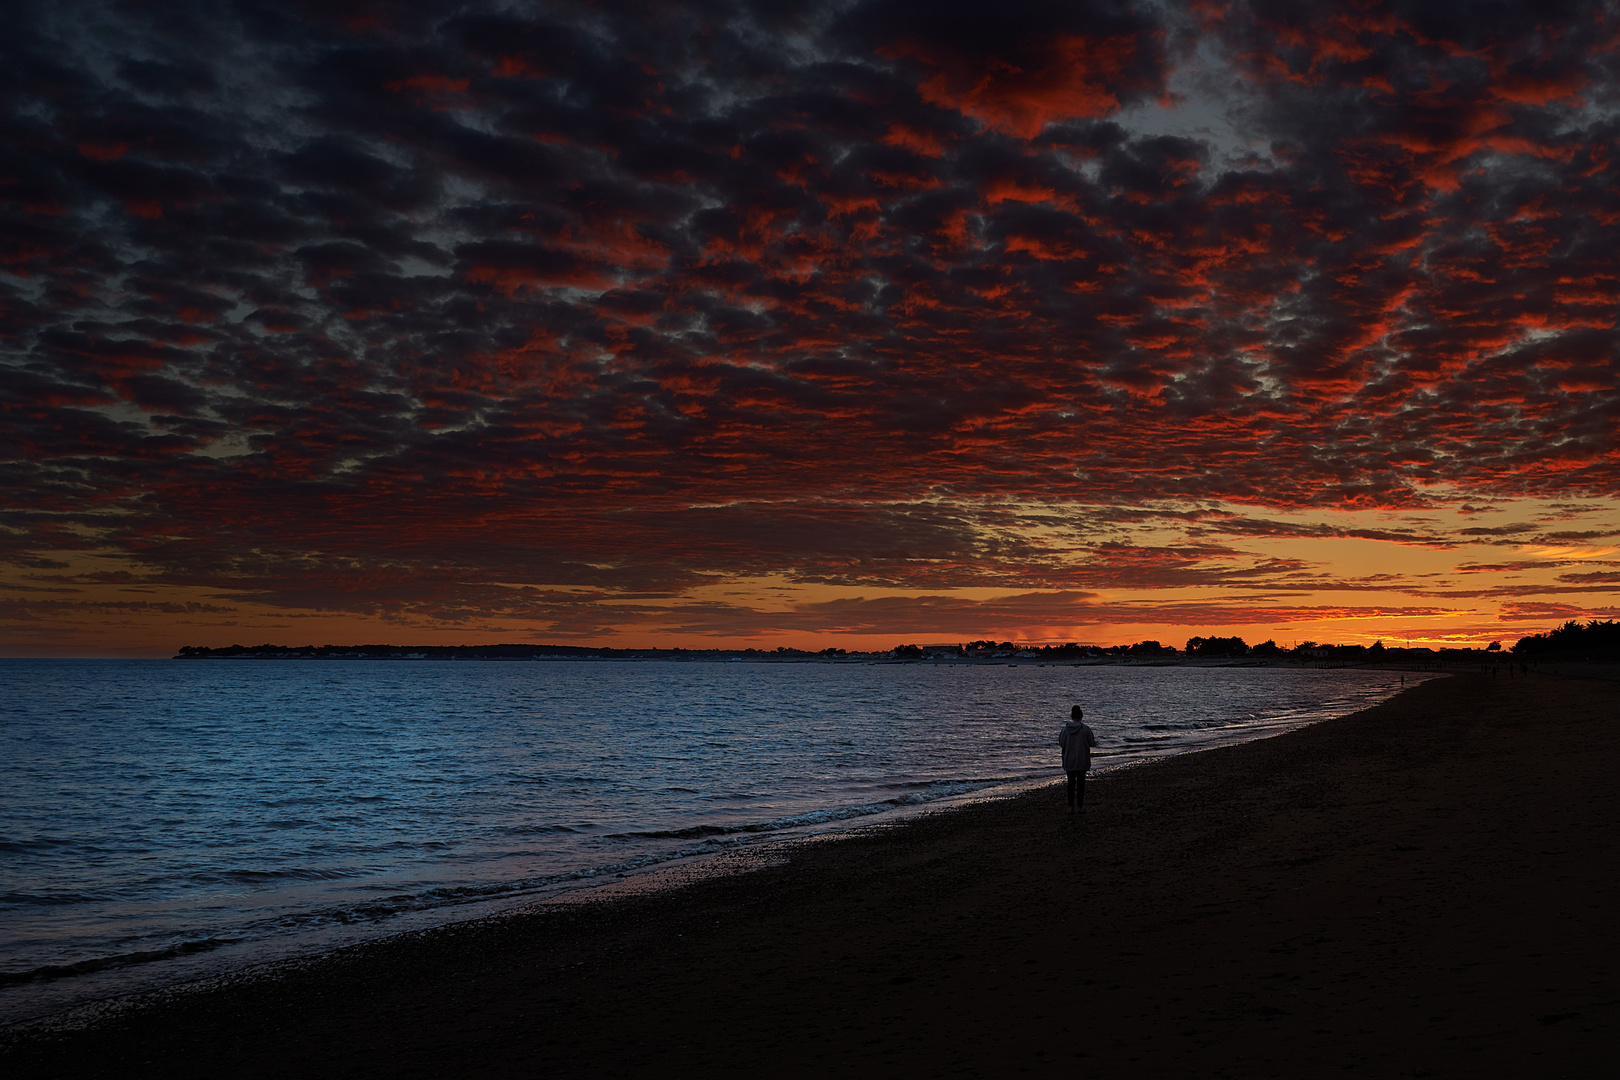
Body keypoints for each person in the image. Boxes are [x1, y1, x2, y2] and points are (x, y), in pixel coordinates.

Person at [1057, 705, 1098, 812]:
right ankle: (1080, 806)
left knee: (1070, 783)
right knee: (1081, 784)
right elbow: (1091, 742)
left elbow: (1061, 743)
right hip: (1082, 759)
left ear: (1071, 716)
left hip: (1069, 759)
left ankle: (1071, 807)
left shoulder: (1065, 730)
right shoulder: (1085, 729)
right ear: (1081, 716)